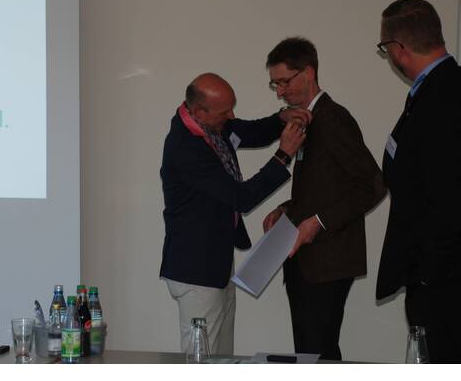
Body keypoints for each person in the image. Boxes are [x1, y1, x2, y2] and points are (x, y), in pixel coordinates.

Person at [160, 72, 310, 355]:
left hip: (215, 262)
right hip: (197, 271)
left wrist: (281, 119)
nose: (231, 116)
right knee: (202, 359)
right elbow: (242, 198)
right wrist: (283, 155)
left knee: (221, 355)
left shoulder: (209, 126)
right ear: (200, 111)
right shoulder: (187, 147)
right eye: (225, 112)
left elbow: (247, 132)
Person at [262, 37, 386, 360]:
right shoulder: (308, 119)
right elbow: (324, 188)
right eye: (275, 84)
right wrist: (286, 209)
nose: (279, 92)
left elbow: (373, 184)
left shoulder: (333, 118)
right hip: (307, 264)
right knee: (309, 356)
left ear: (308, 73)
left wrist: (317, 222)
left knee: (319, 356)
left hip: (328, 263)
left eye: (285, 82)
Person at [375, 0, 461, 363]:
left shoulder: (443, 96)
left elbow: (448, 196)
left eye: (385, 48)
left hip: (443, 280)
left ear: (399, 48)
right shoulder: (436, 88)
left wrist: (428, 275)